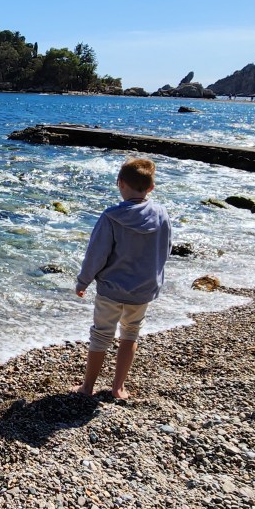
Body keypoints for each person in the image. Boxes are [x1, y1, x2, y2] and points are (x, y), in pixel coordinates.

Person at [72, 157, 171, 400]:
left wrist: (83, 281)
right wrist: (154, 278)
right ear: (151, 187)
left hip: (111, 288)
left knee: (101, 335)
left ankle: (88, 387)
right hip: (143, 289)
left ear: (120, 183)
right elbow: (165, 248)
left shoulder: (111, 216)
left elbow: (96, 254)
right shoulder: (161, 214)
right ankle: (118, 387)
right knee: (131, 333)